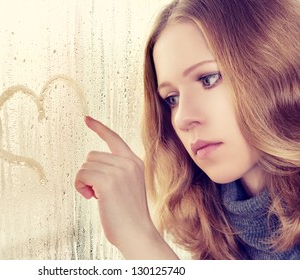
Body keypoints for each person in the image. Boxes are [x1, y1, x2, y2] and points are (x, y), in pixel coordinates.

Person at [74, 0, 300, 260]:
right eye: (172, 99)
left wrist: (138, 236)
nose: (182, 118)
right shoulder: (213, 225)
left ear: (276, 69)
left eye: (208, 79)